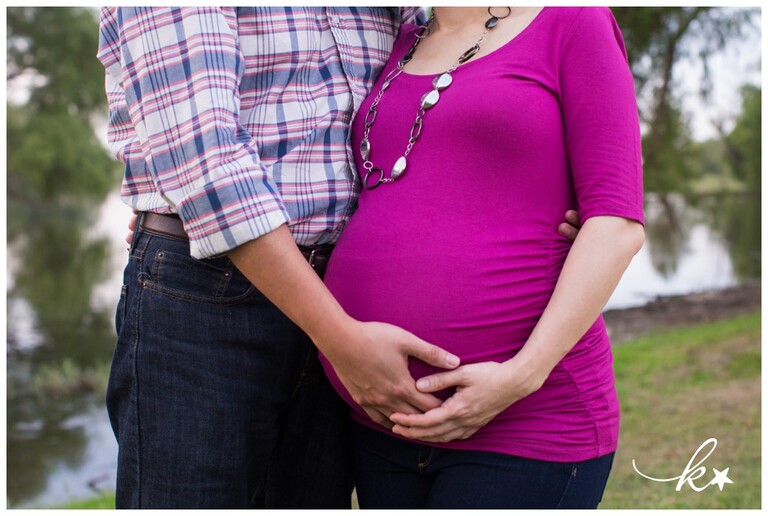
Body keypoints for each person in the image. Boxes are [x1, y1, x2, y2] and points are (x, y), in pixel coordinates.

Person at [98, 6, 585, 509]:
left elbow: (441, 99)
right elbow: (205, 159)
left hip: (345, 302)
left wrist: (549, 198)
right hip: (212, 291)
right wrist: (340, 339)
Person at [318, 6, 645, 509]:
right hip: (383, 424)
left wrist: (520, 376)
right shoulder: (400, 38)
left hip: (527, 421)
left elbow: (616, 223)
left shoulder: (573, 20)